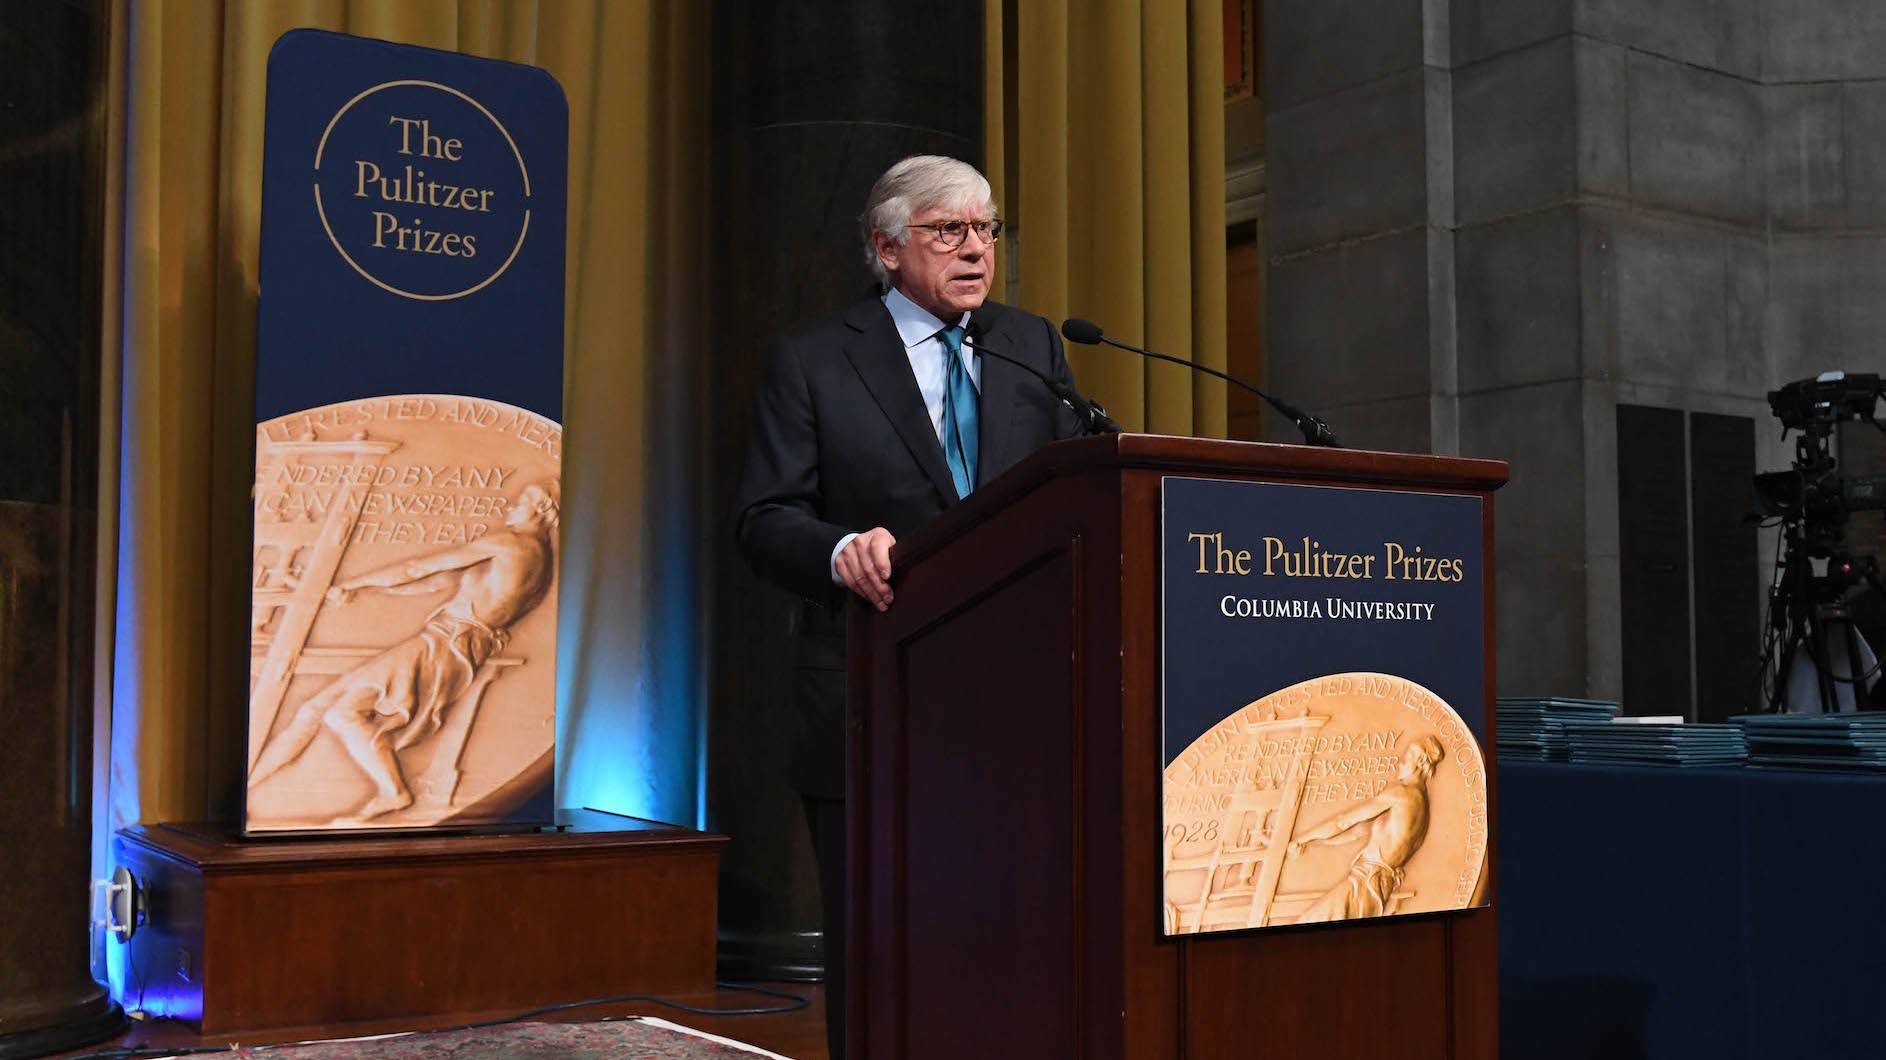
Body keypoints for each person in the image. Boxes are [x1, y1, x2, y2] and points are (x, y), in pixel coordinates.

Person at [735, 154, 1086, 1058]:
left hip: (1016, 697)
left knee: (1006, 932)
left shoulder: (1031, 345)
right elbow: (764, 519)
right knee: (882, 940)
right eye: (948, 232)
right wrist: (840, 550)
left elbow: (1080, 480)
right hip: (870, 689)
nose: (975, 250)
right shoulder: (813, 359)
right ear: (887, 248)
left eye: (987, 230)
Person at [248, 482, 559, 822]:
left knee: (341, 712)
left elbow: (417, 569)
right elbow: (433, 584)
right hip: (457, 645)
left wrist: (353, 584)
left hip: (445, 643)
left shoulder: (509, 544)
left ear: (542, 509)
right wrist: (349, 588)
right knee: (314, 708)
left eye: (524, 499)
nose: (512, 504)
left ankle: (393, 792)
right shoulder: (539, 564)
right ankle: (251, 786)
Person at [1288, 735, 1445, 923]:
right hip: (1376, 885)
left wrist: (1300, 839)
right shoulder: (1420, 808)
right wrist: (1312, 841)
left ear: (1420, 761)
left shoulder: (1402, 794)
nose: (1401, 761)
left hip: (1365, 883)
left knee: (1308, 922)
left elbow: (1342, 821)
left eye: (1409, 754)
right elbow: (1357, 832)